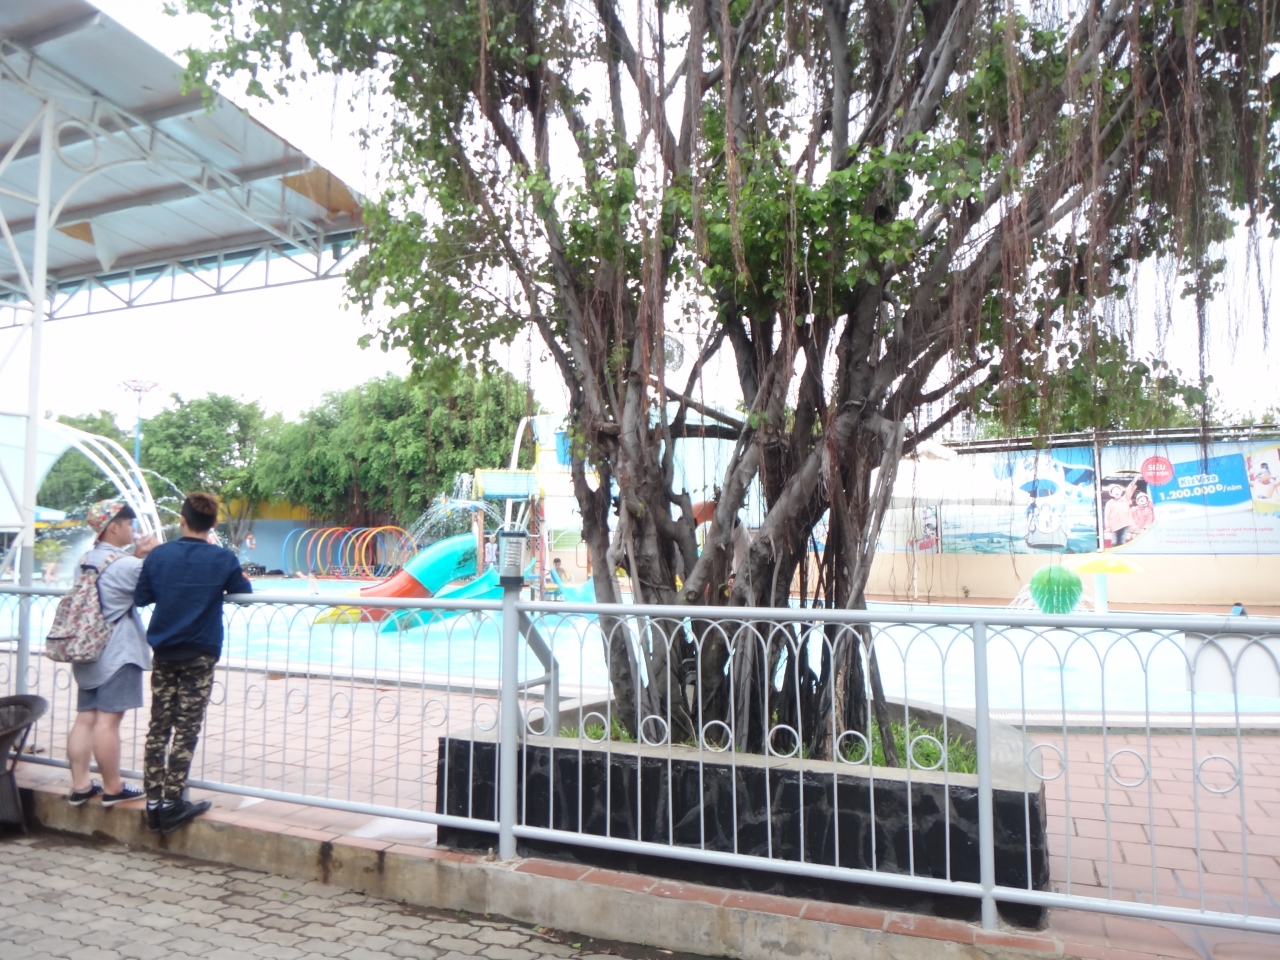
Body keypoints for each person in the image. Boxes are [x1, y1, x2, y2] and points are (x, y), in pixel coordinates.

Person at [134, 492, 252, 834]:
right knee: (186, 729)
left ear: (182, 520)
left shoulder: (160, 556)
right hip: (200, 652)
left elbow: (141, 597)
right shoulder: (222, 558)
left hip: (165, 651)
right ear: (213, 523)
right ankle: (173, 802)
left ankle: (153, 803)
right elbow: (244, 595)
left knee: (159, 727)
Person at [66, 500, 157, 807]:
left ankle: (80, 786)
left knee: (86, 719)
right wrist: (153, 553)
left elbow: (112, 580)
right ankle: (113, 788)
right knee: (108, 722)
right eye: (130, 524)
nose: (134, 529)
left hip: (87, 650)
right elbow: (150, 585)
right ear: (114, 527)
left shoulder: (85, 560)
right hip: (118, 653)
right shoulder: (127, 566)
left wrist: (136, 556)